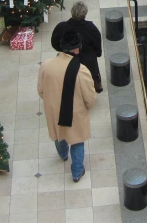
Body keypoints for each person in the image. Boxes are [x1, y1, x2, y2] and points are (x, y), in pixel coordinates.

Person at [37, 31, 97, 182]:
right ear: (77, 49)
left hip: (53, 110)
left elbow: (41, 90)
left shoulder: (46, 65)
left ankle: (63, 155)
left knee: (58, 134)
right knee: (77, 141)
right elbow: (90, 99)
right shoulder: (81, 70)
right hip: (74, 113)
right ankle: (77, 173)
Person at [51, 1, 103, 93]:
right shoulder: (91, 28)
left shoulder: (61, 27)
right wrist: (96, 53)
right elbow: (97, 46)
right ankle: (95, 86)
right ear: (85, 14)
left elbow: (55, 44)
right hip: (88, 61)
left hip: (67, 59)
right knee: (91, 76)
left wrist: (63, 49)